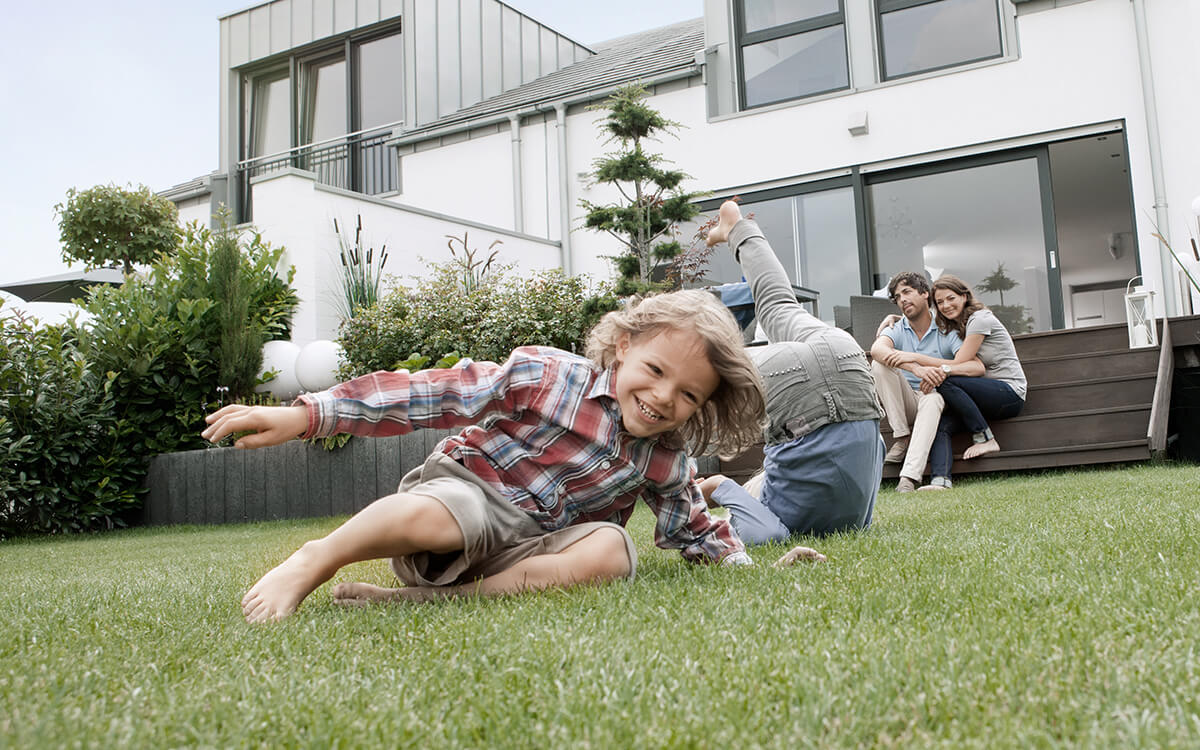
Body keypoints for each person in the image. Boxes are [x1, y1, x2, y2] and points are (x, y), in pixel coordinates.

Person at [202, 290, 772, 623]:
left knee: (614, 550)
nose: (664, 397)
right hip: (466, 498)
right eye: (655, 371)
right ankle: (316, 558)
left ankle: (416, 603)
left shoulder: (665, 461)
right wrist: (307, 415)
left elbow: (695, 532)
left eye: (689, 394)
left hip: (525, 555)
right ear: (624, 347)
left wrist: (749, 569)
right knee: (451, 512)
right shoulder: (548, 375)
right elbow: (432, 393)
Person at [695, 200, 885, 543]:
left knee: (778, 304)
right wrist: (717, 488)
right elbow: (763, 527)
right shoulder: (780, 517)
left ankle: (739, 227)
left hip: (849, 364)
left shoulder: (858, 519)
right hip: (796, 394)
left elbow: (878, 448)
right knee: (701, 377)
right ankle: (736, 228)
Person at [870, 272, 981, 492]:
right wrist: (915, 368)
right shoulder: (898, 327)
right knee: (879, 365)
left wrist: (942, 371)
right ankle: (902, 436)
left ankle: (908, 478)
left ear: (924, 294)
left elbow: (975, 366)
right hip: (907, 400)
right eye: (898, 296)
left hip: (936, 398)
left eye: (907, 292)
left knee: (932, 399)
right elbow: (877, 350)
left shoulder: (945, 328)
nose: (902, 299)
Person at [919, 274, 1027, 490]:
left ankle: (985, 438)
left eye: (950, 298)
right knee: (941, 425)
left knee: (945, 379)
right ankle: (940, 481)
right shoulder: (958, 326)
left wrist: (914, 358)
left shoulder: (980, 318)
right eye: (940, 302)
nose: (945, 306)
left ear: (964, 296)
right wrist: (891, 320)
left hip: (1009, 393)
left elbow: (960, 362)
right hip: (981, 398)